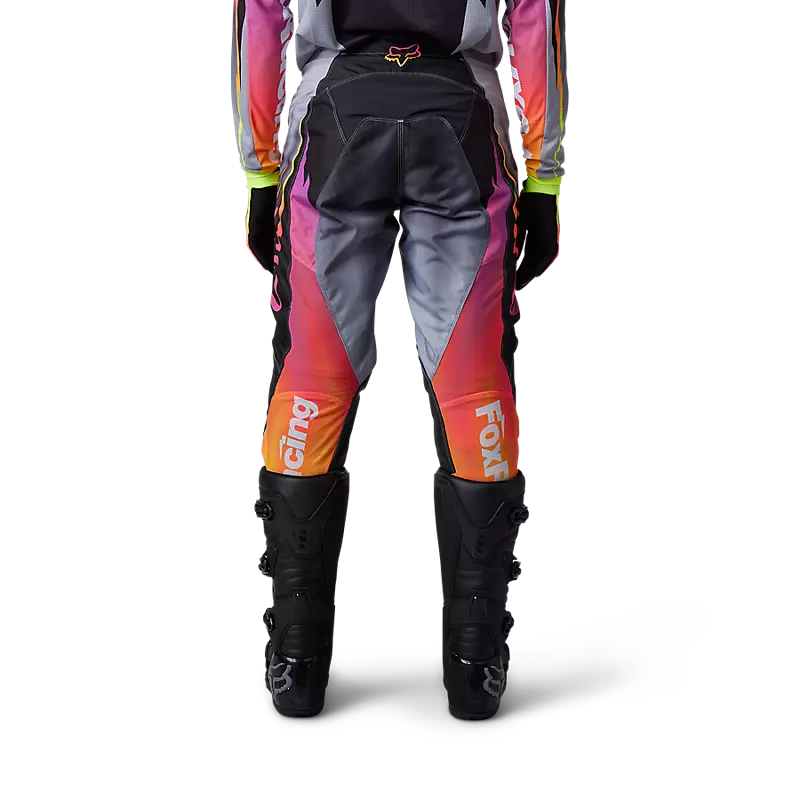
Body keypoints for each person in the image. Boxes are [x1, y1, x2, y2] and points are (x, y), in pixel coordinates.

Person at [232, 0, 568, 719]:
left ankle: (296, 664)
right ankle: (475, 667)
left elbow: (257, 15)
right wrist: (543, 180)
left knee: (312, 377)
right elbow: (536, 15)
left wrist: (260, 174)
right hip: (463, 124)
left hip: (331, 123)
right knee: (472, 382)